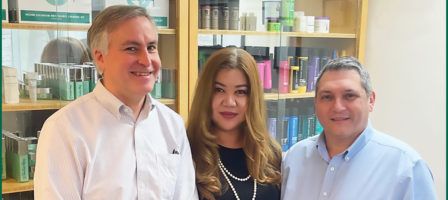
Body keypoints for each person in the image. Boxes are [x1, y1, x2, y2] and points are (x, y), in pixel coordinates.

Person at [34, 5, 198, 199]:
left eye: (151, 47)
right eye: (132, 48)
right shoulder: (64, 129)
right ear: (100, 57)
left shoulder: (172, 124)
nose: (146, 60)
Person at [281, 56, 437, 199]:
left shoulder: (407, 167)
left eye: (349, 96)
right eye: (327, 97)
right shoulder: (295, 158)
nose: (338, 107)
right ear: (315, 103)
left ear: (371, 101)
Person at [187, 47, 282, 200]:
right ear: (206, 94)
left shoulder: (271, 154)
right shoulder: (187, 150)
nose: (229, 102)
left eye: (240, 92)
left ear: (252, 98)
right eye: (219, 90)